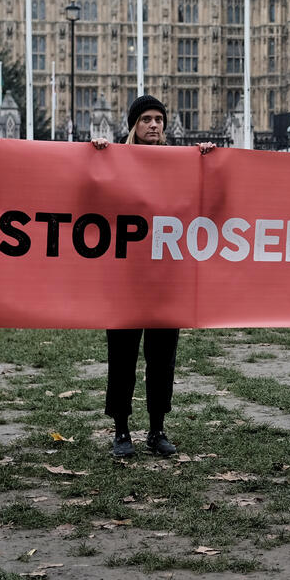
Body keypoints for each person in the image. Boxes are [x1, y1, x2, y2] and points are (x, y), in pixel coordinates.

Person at [91, 95, 215, 457]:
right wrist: (96, 154)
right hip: (126, 278)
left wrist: (207, 160)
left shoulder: (181, 164)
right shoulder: (114, 160)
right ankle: (121, 430)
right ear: (134, 125)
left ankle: (157, 428)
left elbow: (207, 197)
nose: (154, 125)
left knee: (162, 358)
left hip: (166, 277)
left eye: (159, 119)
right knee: (122, 356)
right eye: (146, 119)